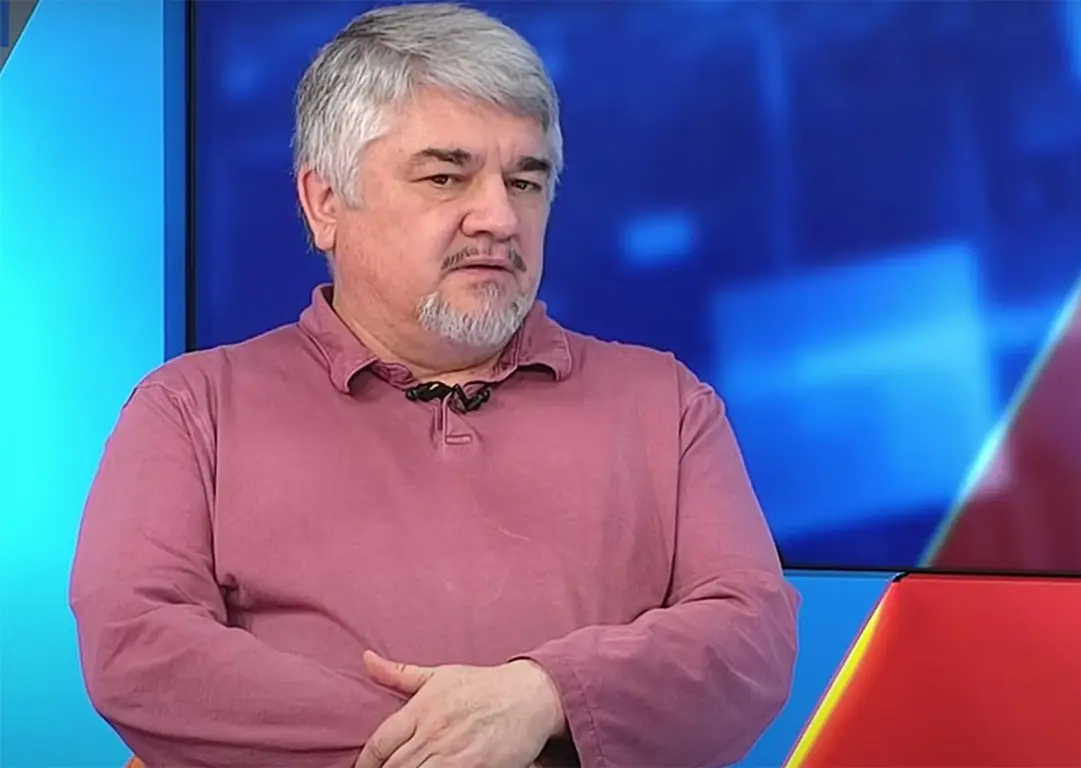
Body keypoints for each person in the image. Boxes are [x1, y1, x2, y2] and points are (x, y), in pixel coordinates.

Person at [68, 4, 799, 767]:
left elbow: (750, 635)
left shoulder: (666, 404)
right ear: (325, 203)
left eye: (526, 180)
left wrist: (545, 698)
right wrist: (465, 741)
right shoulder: (191, 410)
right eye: (446, 177)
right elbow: (138, 646)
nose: (499, 217)